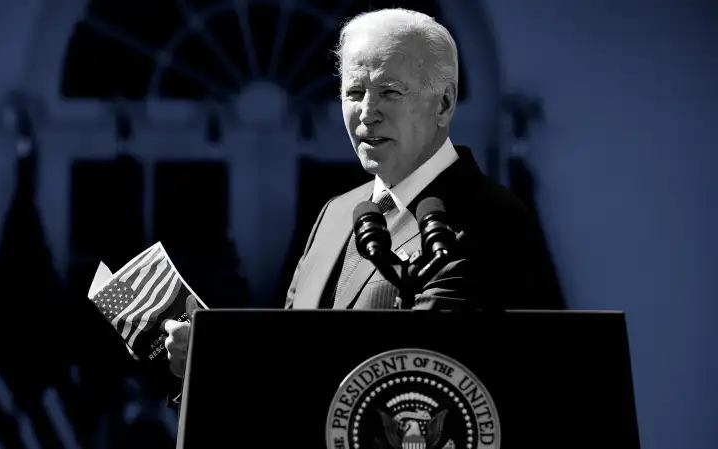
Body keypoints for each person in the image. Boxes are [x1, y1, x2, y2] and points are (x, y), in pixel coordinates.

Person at [164, 8, 561, 379]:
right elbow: (289, 344)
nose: (367, 112)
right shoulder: (336, 214)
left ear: (444, 103)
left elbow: (416, 370)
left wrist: (220, 353)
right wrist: (209, 352)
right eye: (354, 93)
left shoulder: (490, 220)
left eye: (389, 91)